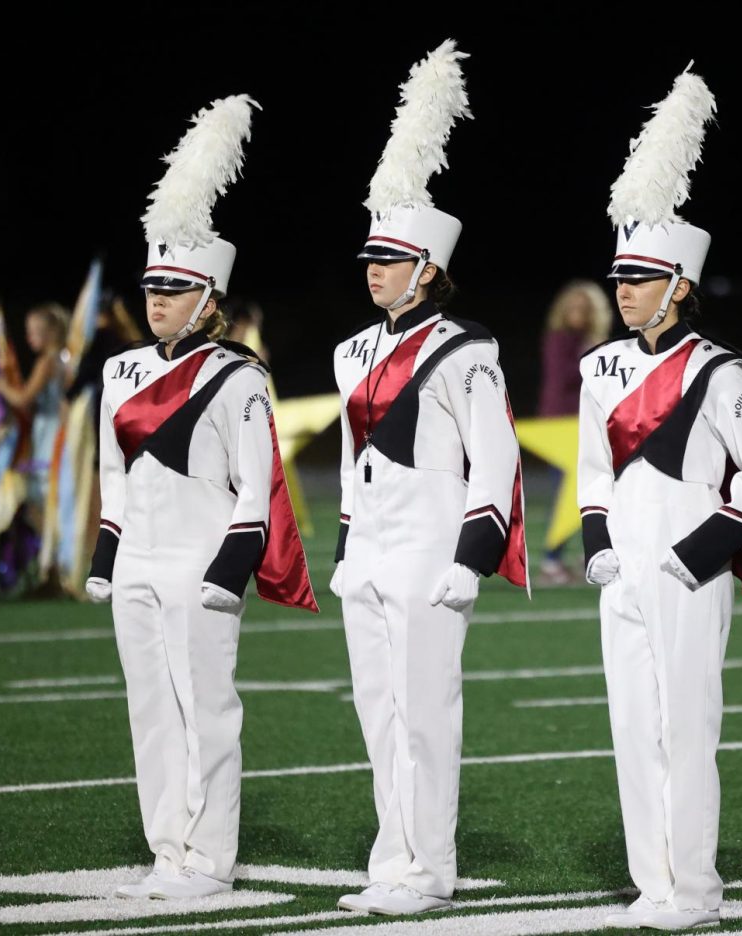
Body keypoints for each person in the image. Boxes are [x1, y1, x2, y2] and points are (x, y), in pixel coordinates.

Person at [85, 94, 316, 901]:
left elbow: (258, 487)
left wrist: (230, 569)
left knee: (207, 715)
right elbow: (112, 474)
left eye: (174, 290)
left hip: (201, 563)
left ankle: (209, 860)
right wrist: (107, 556)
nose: (156, 301)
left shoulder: (237, 375)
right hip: (139, 562)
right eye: (151, 287)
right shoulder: (118, 371)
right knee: (150, 714)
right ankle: (167, 851)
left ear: (209, 297)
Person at [578, 66, 742, 932]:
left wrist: (699, 553)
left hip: (689, 566)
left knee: (687, 730)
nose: (623, 291)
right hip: (624, 567)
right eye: (619, 277)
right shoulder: (600, 369)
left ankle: (693, 890)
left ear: (681, 286)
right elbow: (592, 470)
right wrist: (599, 547)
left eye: (641, 279)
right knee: (631, 730)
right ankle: (650, 884)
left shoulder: (721, 371)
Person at [330, 40, 528, 917]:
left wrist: (471, 558)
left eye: (388, 260)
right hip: (369, 554)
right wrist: (342, 543)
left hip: (431, 552)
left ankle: (427, 867)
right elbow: (349, 459)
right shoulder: (351, 352)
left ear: (427, 269)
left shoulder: (465, 348)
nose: (373, 271)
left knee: (424, 717)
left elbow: (499, 457)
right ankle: (393, 860)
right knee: (377, 718)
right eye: (368, 259)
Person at [536, 280, 612, 584]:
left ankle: (588, 554)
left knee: (590, 490)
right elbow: (564, 377)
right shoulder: (560, 339)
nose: (578, 313)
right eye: (574, 307)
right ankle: (552, 561)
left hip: (587, 424)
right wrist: (592, 353)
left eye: (585, 308)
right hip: (562, 426)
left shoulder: (590, 340)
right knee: (567, 496)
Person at [0, 302, 69, 511]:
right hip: (58, 428)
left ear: (51, 333)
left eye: (34, 333)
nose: (29, 338)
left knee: (42, 492)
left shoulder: (46, 362)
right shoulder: (65, 357)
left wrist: (1, 386)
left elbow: (23, 398)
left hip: (48, 432)